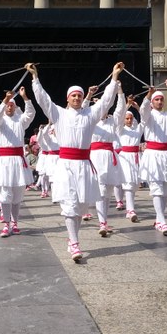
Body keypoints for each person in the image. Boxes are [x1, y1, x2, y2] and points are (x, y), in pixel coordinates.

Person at [27, 61, 123, 262]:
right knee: (70, 205)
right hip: (66, 165)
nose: (77, 98)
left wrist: (114, 77)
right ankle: (74, 242)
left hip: (85, 166)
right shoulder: (59, 114)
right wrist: (35, 78)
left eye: (79, 95)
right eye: (74, 96)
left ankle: (73, 239)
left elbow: (106, 101)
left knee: (80, 206)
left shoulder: (90, 114)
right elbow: (43, 100)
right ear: (68, 99)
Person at [0, 86, 35, 238]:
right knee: (5, 194)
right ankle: (6, 224)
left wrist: (25, 97)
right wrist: (5, 100)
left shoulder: (20, 121)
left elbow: (31, 113)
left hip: (18, 161)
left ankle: (15, 223)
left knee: (17, 195)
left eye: (11, 104)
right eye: (7, 105)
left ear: (15, 107)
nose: (9, 106)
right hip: (4, 162)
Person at [139, 79, 167, 236]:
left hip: (166, 155)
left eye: (161, 99)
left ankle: (159, 219)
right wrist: (149, 94)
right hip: (153, 155)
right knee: (157, 189)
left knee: (165, 190)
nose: (159, 101)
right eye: (156, 99)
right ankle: (162, 220)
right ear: (152, 102)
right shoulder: (148, 116)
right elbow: (143, 108)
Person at [87, 84, 125, 236]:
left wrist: (119, 90)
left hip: (110, 158)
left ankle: (105, 220)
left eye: (106, 107)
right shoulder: (91, 120)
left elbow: (121, 108)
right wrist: (89, 96)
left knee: (108, 192)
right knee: (101, 190)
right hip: (96, 157)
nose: (104, 110)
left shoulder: (112, 121)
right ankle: (102, 223)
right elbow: (82, 110)